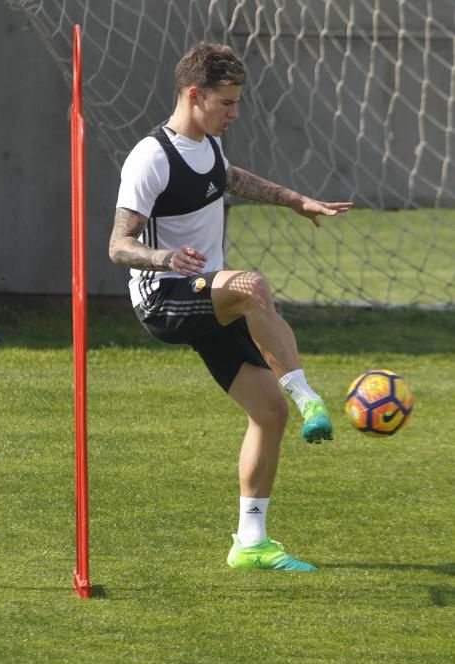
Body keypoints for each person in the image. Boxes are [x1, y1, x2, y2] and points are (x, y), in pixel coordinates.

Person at [109, 43, 353, 572]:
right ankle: (310, 395)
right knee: (251, 285)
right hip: (164, 297)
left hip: (207, 294)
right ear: (194, 96)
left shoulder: (209, 147)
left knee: (269, 412)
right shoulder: (151, 157)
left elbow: (231, 179)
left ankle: (251, 542)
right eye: (226, 103)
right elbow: (118, 246)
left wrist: (295, 201)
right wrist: (166, 257)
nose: (234, 113)